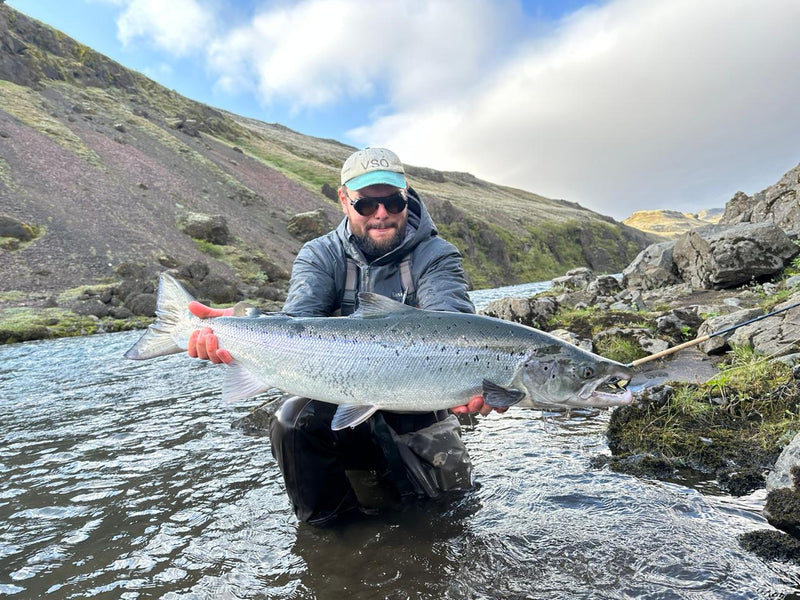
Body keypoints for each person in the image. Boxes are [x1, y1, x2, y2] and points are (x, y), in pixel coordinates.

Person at [188, 147, 505, 526]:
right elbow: (296, 326)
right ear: (343, 200)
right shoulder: (320, 255)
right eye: (366, 204)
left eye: (392, 200)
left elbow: (453, 321)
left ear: (406, 196)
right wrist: (245, 324)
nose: (381, 213)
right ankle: (335, 540)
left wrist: (484, 381)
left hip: (419, 410)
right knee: (292, 420)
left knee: (450, 517)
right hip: (340, 405)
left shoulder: (435, 255)